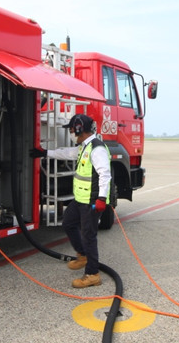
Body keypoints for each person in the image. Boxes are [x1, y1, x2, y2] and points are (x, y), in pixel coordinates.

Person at [31, 114, 111, 288]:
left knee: (89, 236)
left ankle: (92, 274)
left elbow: (105, 174)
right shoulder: (84, 146)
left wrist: (102, 199)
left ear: (79, 129)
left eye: (72, 129)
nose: (71, 132)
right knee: (68, 222)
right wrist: (45, 152)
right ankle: (82, 255)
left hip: (92, 200)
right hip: (81, 199)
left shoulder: (97, 149)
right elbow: (67, 153)